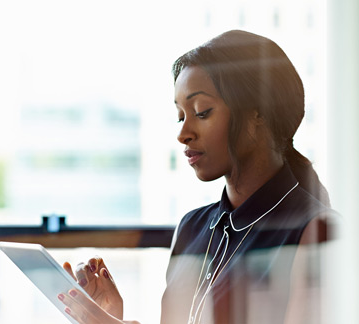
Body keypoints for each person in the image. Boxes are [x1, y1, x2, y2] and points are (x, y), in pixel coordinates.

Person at [57, 30, 336, 324]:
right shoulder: (191, 228)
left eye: (201, 112)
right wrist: (110, 317)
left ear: (259, 114)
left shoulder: (319, 231)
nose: (182, 133)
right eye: (181, 116)